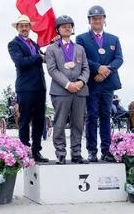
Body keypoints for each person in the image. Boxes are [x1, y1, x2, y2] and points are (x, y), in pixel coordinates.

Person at [76, 5, 123, 163]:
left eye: (99, 18)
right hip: (92, 83)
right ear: (89, 20)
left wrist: (107, 70)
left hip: (107, 83)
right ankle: (91, 150)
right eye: (94, 18)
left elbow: (119, 59)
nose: (97, 21)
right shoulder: (81, 39)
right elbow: (81, 58)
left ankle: (106, 150)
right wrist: (98, 68)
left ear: (104, 19)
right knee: (92, 116)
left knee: (106, 116)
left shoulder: (113, 39)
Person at [45, 15, 90, 165]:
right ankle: (61, 153)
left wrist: (81, 82)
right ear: (58, 29)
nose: (67, 28)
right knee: (60, 123)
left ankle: (76, 153)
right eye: (63, 26)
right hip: (61, 91)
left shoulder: (80, 49)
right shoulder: (51, 49)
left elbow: (85, 68)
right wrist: (67, 84)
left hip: (80, 91)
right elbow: (52, 70)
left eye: (69, 26)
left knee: (78, 123)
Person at [7, 14, 49, 162]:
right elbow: (20, 62)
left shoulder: (34, 44)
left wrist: (54, 44)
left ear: (30, 27)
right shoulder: (13, 44)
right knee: (24, 120)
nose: (24, 28)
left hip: (39, 86)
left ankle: (36, 150)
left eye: (26, 26)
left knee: (39, 121)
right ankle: (24, 149)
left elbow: (45, 57)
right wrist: (39, 57)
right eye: (21, 26)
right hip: (25, 87)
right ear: (18, 28)